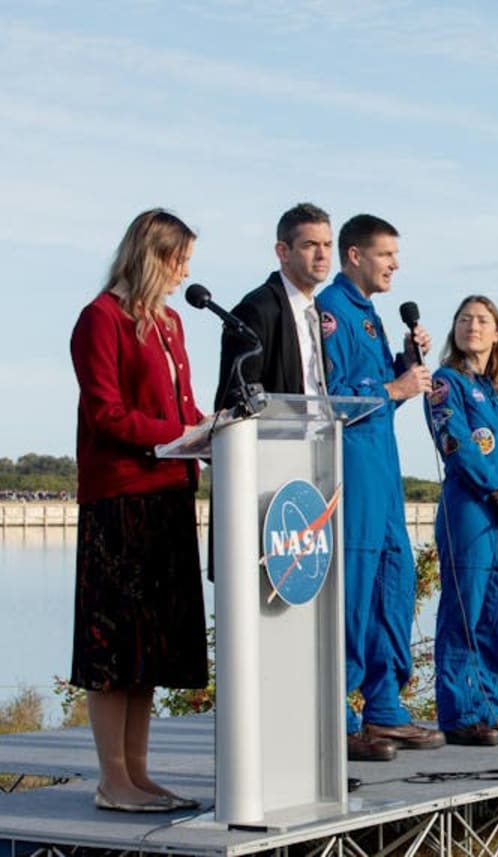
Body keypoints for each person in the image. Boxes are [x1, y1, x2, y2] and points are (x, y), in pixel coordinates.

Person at [69, 209, 207, 812]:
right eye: (179, 263)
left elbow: (184, 405)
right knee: (114, 647)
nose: (183, 275)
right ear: (152, 256)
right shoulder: (100, 319)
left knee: (147, 648)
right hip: (119, 499)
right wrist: (181, 433)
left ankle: (139, 775)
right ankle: (112, 780)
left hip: (168, 494)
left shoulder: (172, 323)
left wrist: (209, 431)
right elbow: (105, 412)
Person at [316, 214, 445, 761]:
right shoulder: (331, 312)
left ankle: (385, 706)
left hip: (384, 468)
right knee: (355, 586)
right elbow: (332, 397)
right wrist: (394, 386)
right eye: (386, 254)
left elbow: (380, 385)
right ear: (354, 255)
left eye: (396, 255)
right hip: (352, 467)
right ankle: (337, 714)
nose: (394, 265)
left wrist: (407, 360)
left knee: (394, 580)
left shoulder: (370, 314)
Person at [424, 296, 498, 746]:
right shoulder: (446, 381)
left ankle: (490, 705)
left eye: (483, 319)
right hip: (470, 508)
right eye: (465, 318)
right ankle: (459, 712)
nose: (473, 325)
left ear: (497, 333)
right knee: (465, 611)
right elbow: (455, 441)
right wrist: (497, 489)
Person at [214, 202, 333, 411]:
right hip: (274, 440)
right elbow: (235, 397)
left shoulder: (317, 310)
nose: (322, 254)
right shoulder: (256, 310)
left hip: (319, 440)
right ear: (283, 252)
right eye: (310, 245)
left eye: (327, 244)